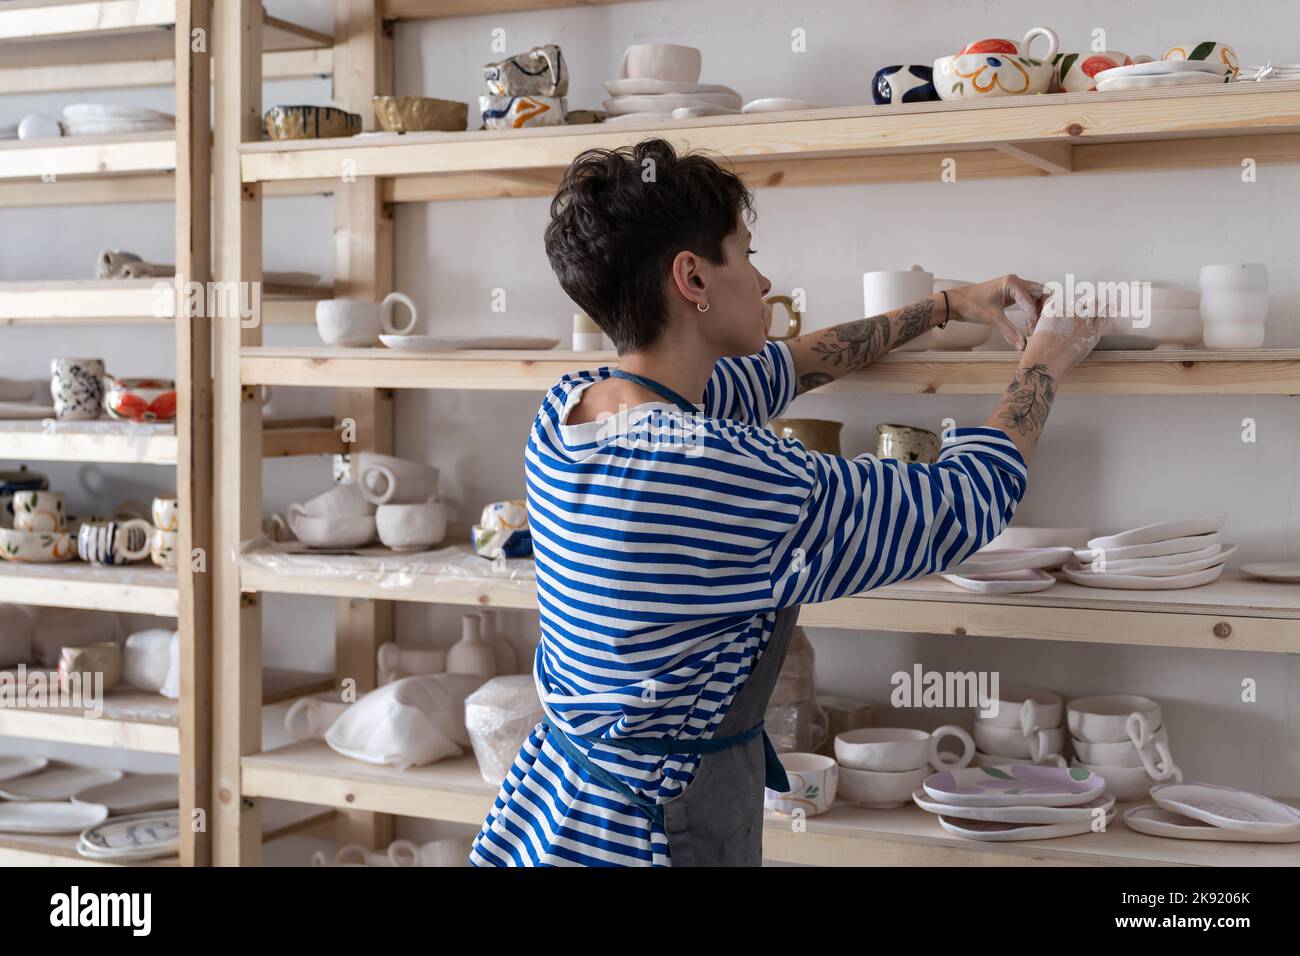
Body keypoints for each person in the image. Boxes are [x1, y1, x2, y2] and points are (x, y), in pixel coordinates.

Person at [468, 138, 1102, 867]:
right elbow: (960, 502)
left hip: (555, 809)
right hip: (647, 834)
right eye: (745, 252)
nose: (764, 277)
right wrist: (1046, 361)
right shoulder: (718, 472)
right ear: (692, 276)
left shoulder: (574, 408)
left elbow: (787, 366)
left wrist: (944, 308)